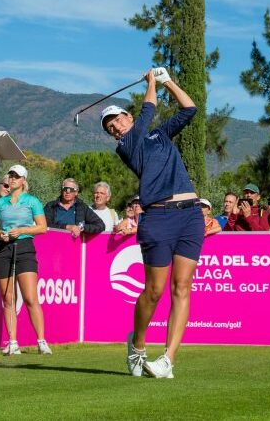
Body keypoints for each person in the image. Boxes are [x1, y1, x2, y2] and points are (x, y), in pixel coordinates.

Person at [101, 67, 203, 379]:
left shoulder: (158, 134)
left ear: (127, 117)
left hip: (190, 215)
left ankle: (168, 361)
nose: (115, 128)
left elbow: (189, 108)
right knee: (154, 290)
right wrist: (150, 83)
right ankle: (138, 344)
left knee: (182, 287)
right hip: (158, 217)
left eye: (117, 119)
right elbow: (149, 108)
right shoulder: (127, 146)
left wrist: (168, 80)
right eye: (109, 127)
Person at [0, 164, 49, 356]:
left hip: (24, 248)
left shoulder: (32, 201)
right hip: (3, 249)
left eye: (17, 176)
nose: (12, 178)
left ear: (24, 181)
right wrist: (1, 234)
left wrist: (21, 230)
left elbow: (42, 227)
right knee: (8, 298)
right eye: (11, 175)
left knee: (30, 298)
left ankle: (41, 341)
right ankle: (13, 342)